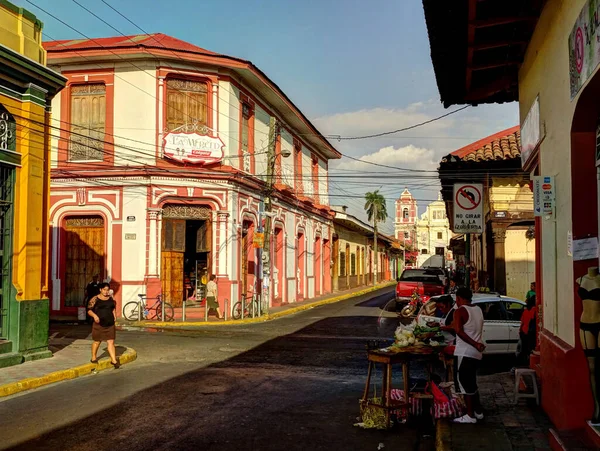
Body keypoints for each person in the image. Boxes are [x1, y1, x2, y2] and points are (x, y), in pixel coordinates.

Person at [452, 286, 485, 424]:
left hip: (464, 351)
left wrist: (474, 343)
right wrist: (477, 344)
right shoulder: (478, 309)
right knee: (472, 382)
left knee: (464, 384)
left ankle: (470, 415)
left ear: (459, 298)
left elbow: (458, 330)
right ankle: (478, 411)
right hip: (476, 354)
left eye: (456, 299)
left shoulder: (460, 311)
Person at [87, 282, 120, 368]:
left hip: (110, 324)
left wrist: (115, 316)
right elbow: (89, 310)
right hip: (99, 324)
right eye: (104, 290)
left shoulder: (110, 299)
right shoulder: (95, 299)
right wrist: (95, 316)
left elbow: (112, 308)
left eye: (107, 290)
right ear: (100, 290)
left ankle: (114, 360)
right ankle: (93, 357)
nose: (106, 292)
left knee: (111, 342)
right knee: (97, 341)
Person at [516, 295, 537, 367]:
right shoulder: (534, 310)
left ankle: (520, 365)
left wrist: (520, 331)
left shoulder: (526, 311)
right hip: (530, 333)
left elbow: (522, 322)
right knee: (529, 350)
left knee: (523, 350)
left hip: (523, 332)